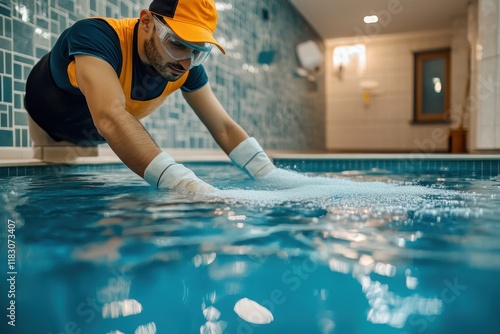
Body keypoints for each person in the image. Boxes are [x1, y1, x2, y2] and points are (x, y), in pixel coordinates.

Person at [24, 0, 277, 194]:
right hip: (47, 129)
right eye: (177, 43)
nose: (186, 63)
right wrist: (184, 184)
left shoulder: (186, 66)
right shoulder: (95, 36)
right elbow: (110, 117)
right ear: (146, 21)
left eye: (198, 52)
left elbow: (224, 127)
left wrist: (271, 175)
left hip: (89, 140)